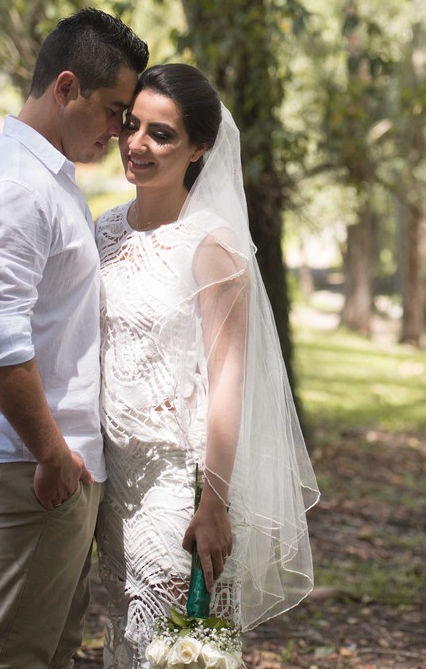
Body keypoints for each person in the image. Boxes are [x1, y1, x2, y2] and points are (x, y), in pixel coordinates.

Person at [95, 64, 320, 668]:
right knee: (126, 647)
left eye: (161, 134)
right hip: (111, 484)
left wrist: (214, 503)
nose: (138, 144)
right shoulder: (104, 231)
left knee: (171, 651)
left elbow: (229, 382)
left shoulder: (213, 246)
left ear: (198, 148)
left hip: (180, 487)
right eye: (132, 125)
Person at [0, 8, 149, 669]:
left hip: (56, 459)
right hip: (33, 460)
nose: (122, 130)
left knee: (52, 650)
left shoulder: (50, 180)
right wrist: (52, 452)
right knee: (12, 655)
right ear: (66, 88)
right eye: (115, 110)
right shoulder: (14, 186)